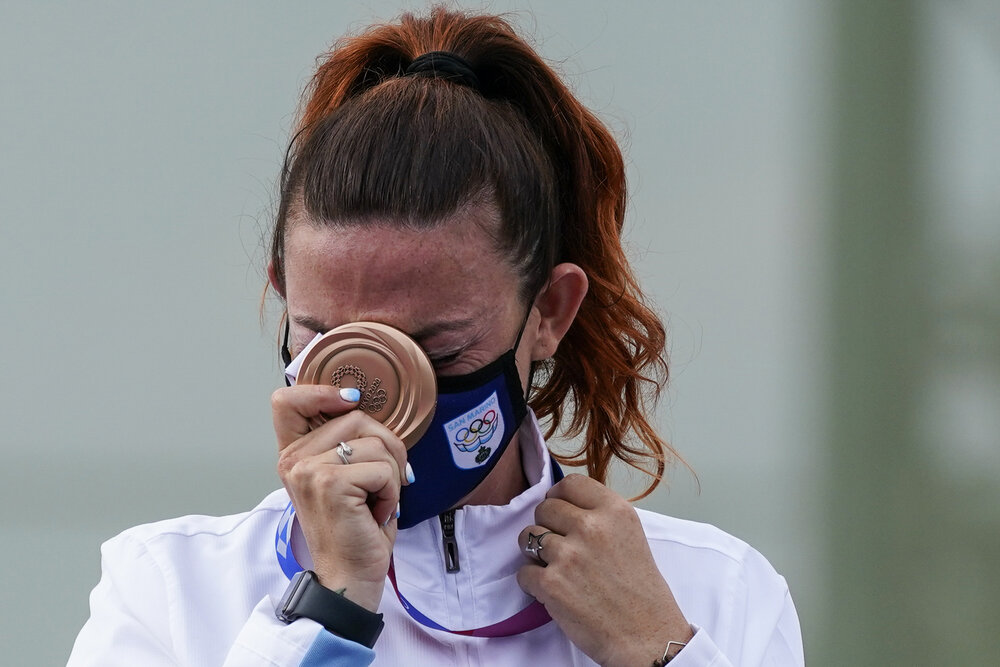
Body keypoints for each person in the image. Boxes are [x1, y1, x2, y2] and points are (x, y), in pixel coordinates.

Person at [69, 7, 803, 666]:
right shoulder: (170, 586)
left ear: (549, 310)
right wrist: (327, 608)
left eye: (439, 351)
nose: (377, 399)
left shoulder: (714, 591)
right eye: (329, 338)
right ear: (281, 294)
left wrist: (660, 653)